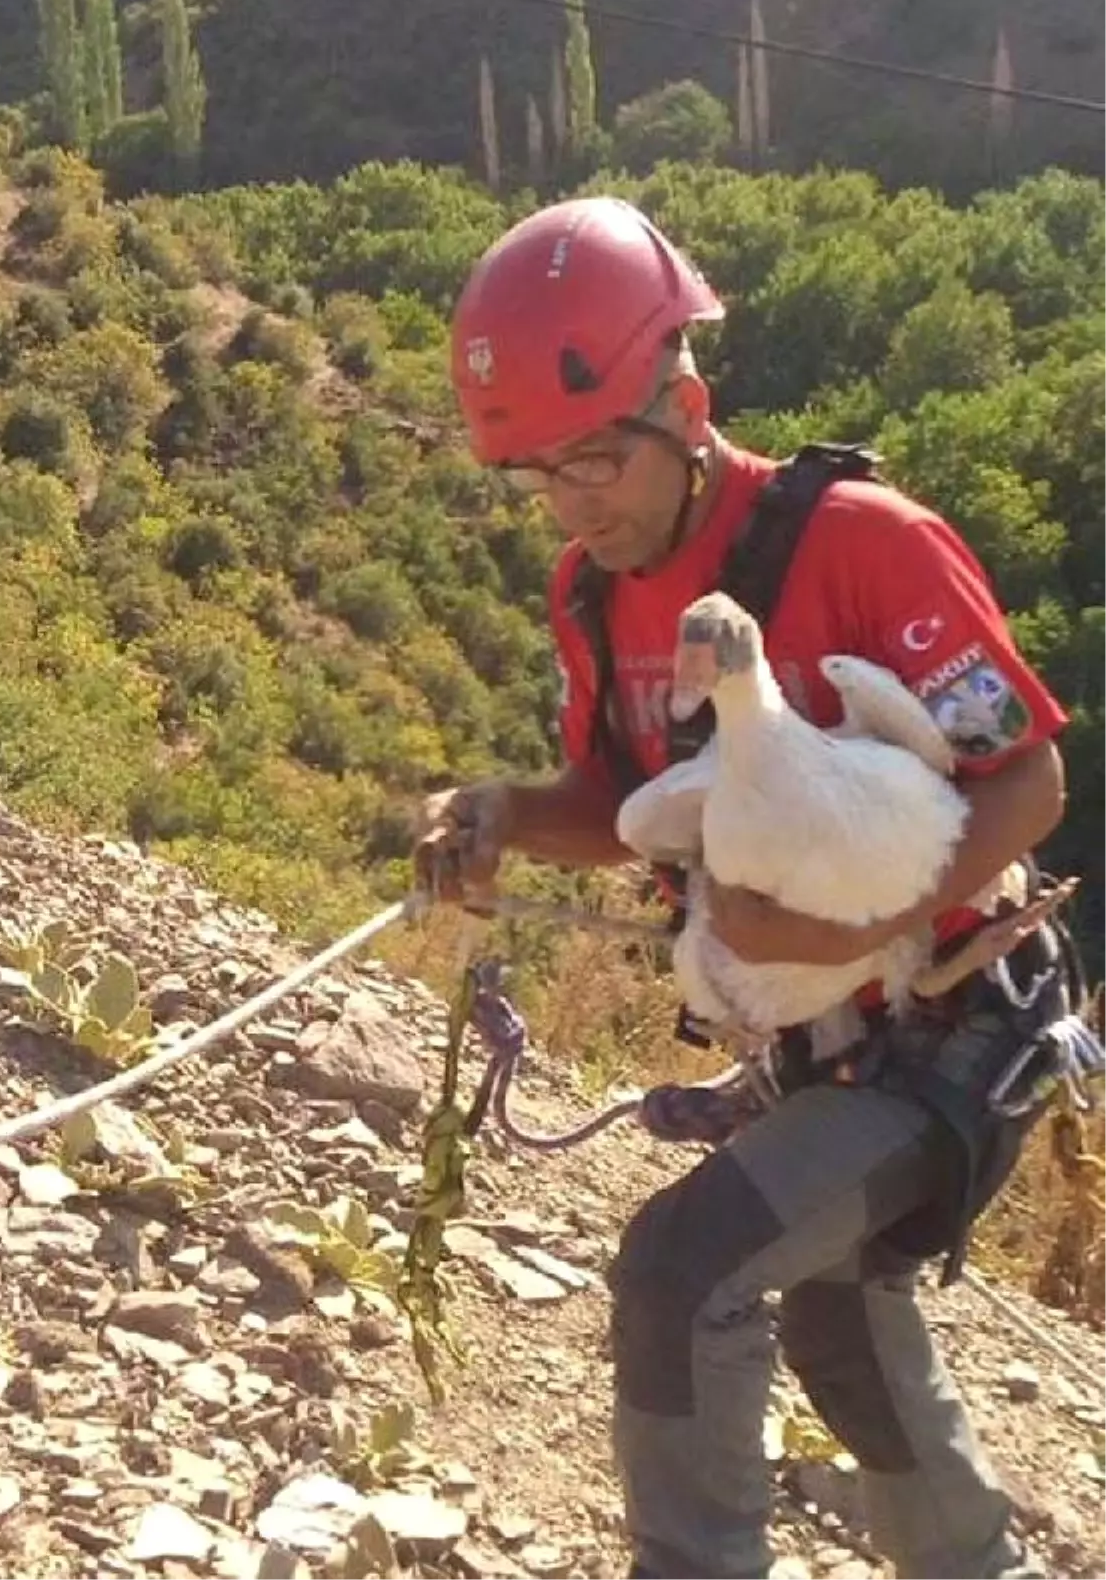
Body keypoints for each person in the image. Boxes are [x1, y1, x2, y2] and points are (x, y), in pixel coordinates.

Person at [416, 195, 1077, 1580]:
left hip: (953, 1017)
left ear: (691, 405)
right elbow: (622, 804)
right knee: (836, 1306)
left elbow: (1025, 784)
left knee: (682, 1268)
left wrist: (851, 922)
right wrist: (500, 818)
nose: (574, 506)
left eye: (595, 460)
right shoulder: (592, 597)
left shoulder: (862, 543)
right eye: (539, 477)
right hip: (811, 1034)